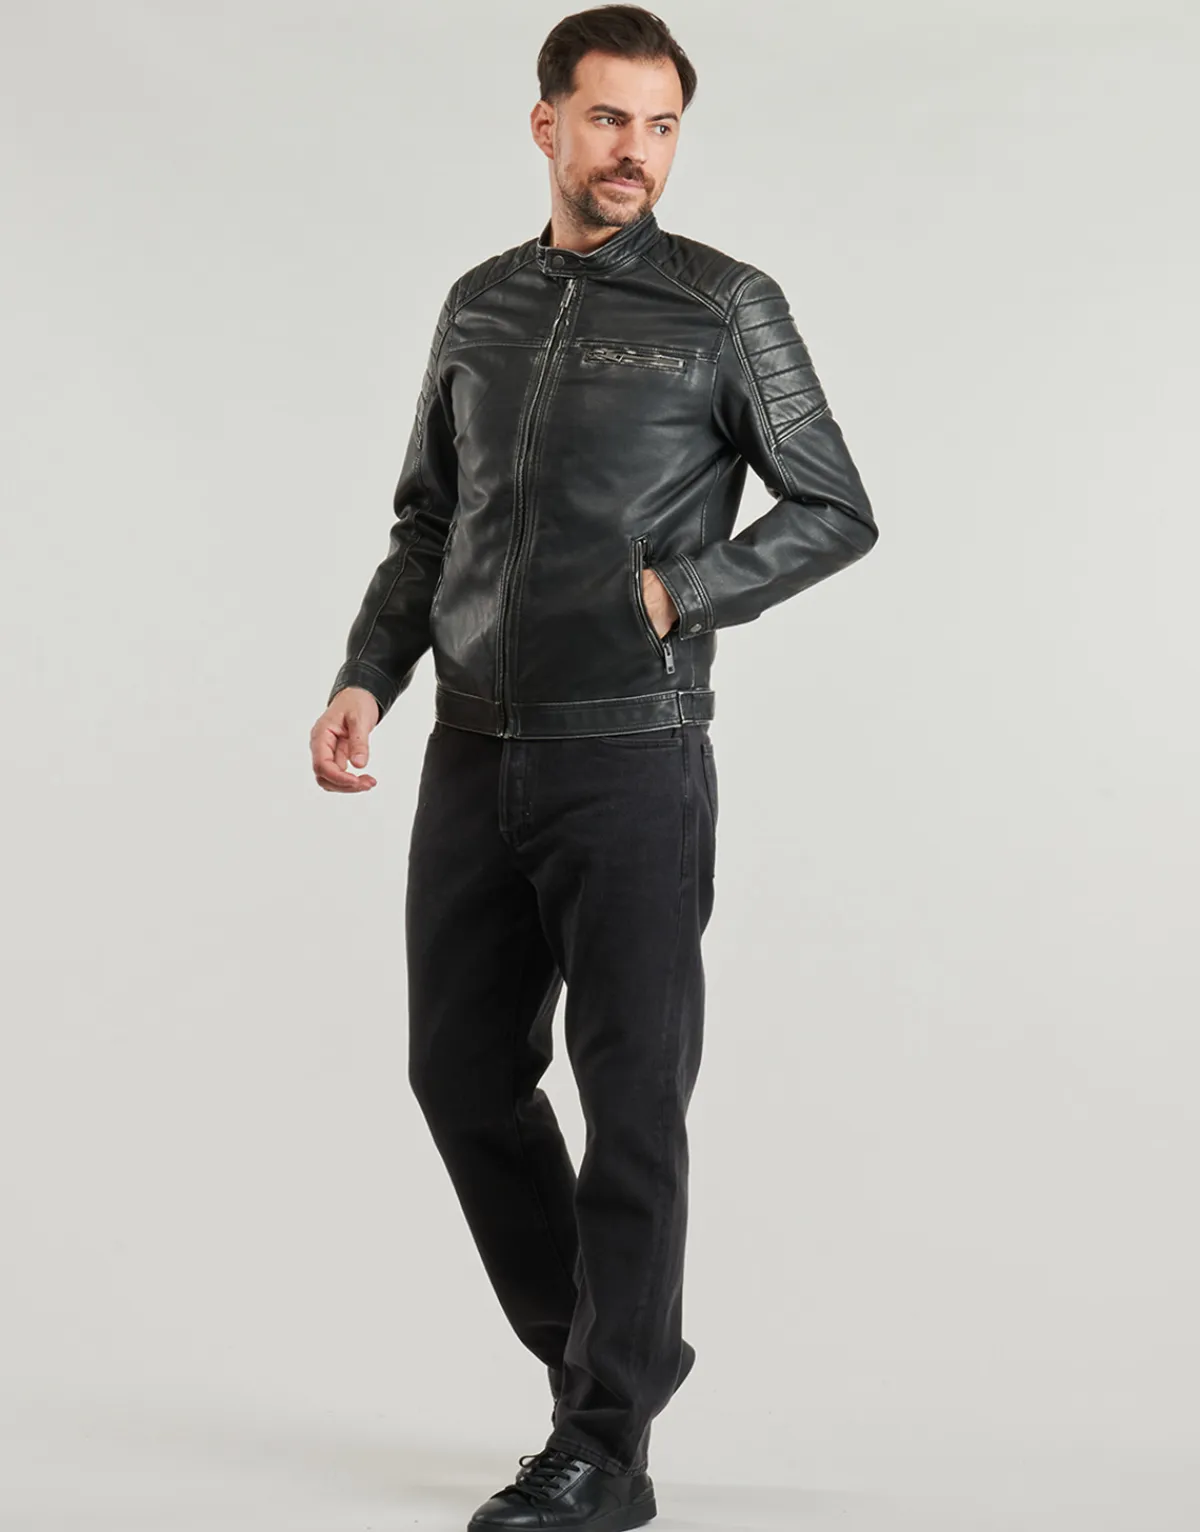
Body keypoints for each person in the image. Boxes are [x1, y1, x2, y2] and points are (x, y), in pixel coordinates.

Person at [309, 6, 878, 1527]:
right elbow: (431, 521)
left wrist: (684, 592)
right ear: (547, 123)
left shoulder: (726, 306)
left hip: (632, 759)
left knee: (634, 1102)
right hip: (471, 750)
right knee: (459, 1076)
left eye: (662, 125)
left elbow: (834, 506)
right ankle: (606, 1363)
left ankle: (605, 1449)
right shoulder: (481, 304)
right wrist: (370, 673)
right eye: (610, 119)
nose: (636, 152)